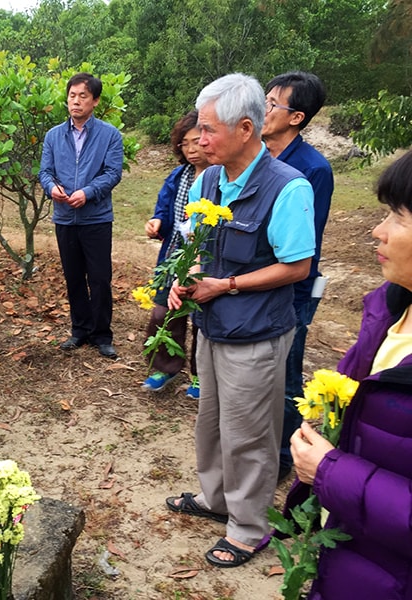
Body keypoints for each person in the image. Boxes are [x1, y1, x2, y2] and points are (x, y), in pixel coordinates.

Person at [165, 73, 315, 567]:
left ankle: (249, 528)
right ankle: (216, 500)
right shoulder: (210, 179)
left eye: (207, 130)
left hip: (255, 333)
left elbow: (297, 266)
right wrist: (182, 279)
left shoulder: (288, 188)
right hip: (213, 326)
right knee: (211, 422)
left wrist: (225, 286)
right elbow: (196, 243)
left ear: (246, 128)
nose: (199, 139)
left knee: (249, 433)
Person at [289, 150, 412, 598]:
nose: (376, 231)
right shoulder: (388, 309)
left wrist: (329, 470)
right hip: (358, 560)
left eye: (397, 216)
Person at [262, 71, 335, 482]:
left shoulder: (313, 168)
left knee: (287, 372)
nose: (265, 109)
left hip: (292, 288)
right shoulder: (257, 154)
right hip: (255, 279)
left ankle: (286, 458)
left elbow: (303, 243)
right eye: (265, 99)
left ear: (296, 117)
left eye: (274, 104)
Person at [39, 72, 124, 359]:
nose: (76, 101)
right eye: (72, 96)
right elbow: (45, 172)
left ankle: (102, 335)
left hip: (96, 217)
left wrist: (87, 192)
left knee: (99, 278)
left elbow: (113, 173)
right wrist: (52, 188)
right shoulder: (53, 135)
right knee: (73, 276)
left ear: (95, 101)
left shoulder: (110, 135)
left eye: (83, 96)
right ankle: (80, 330)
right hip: (64, 217)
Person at [142, 110, 209, 397]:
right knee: (164, 312)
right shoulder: (178, 176)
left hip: (207, 261)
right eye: (185, 143)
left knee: (203, 320)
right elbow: (164, 210)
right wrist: (157, 222)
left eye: (197, 141)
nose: (192, 149)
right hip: (173, 257)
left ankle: (200, 376)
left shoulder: (222, 177)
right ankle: (166, 367)